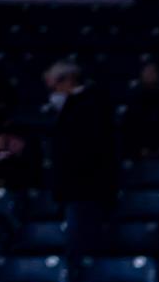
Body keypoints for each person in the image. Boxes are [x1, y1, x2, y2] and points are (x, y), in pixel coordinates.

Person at [43, 60, 118, 267]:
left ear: (68, 80)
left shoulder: (91, 104)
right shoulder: (70, 106)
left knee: (84, 247)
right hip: (72, 189)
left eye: (55, 83)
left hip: (87, 189)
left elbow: (90, 149)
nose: (53, 90)